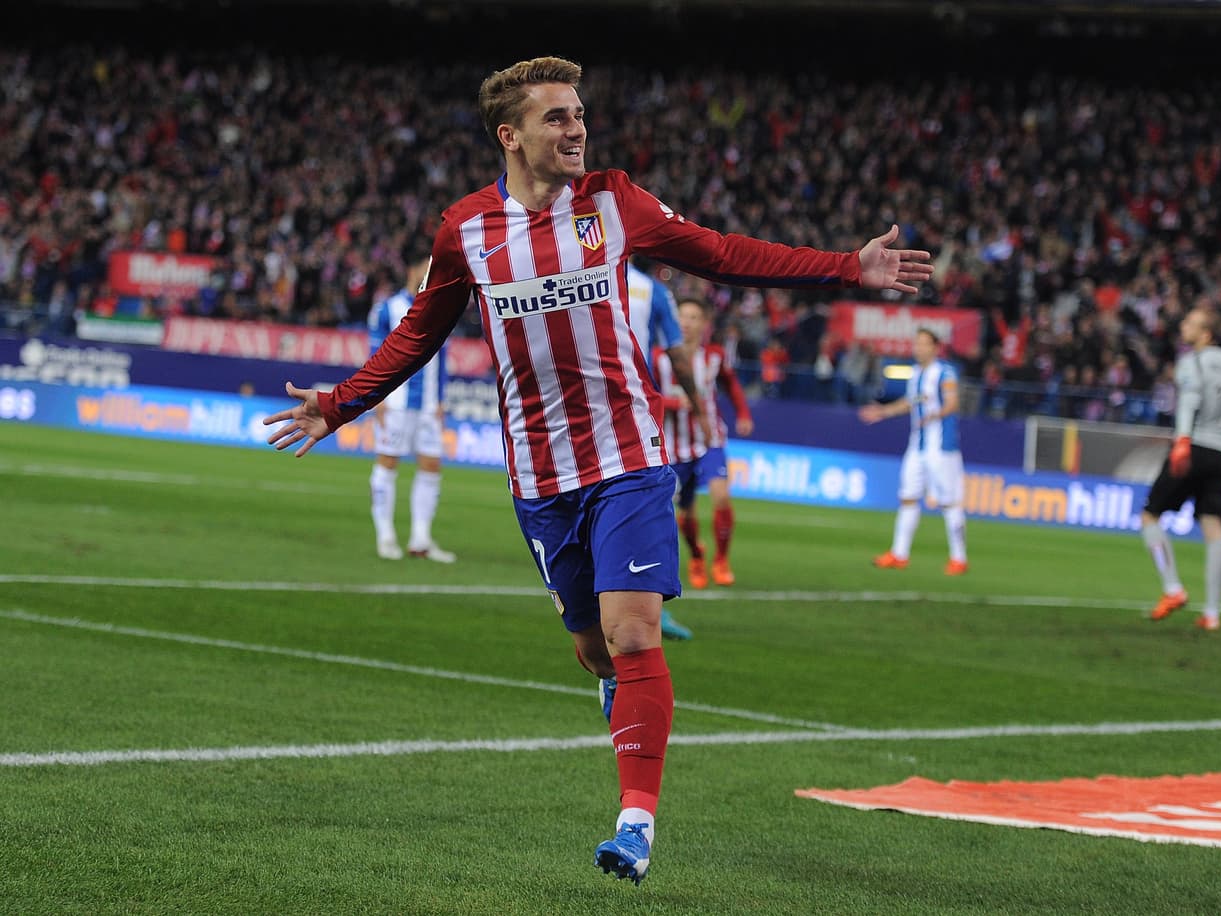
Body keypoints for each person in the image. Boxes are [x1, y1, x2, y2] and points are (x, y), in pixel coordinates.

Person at [263, 55, 932, 886]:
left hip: (629, 457)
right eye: (556, 117)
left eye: (579, 114)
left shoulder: (615, 203)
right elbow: (419, 333)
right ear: (511, 135)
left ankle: (636, 823)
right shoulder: (465, 231)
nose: (576, 128)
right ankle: (624, 706)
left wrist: (844, 266)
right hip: (540, 478)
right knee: (593, 651)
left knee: (633, 632)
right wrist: (341, 404)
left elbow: (720, 253)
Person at [1141, 306, 1221, 631]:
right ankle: (1212, 614)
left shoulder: (1191, 362)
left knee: (1150, 515)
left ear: (1206, 333)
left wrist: (1182, 441)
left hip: (1193, 445)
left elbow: (1189, 400)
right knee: (1214, 528)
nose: (1183, 325)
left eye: (1191, 323)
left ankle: (1173, 588)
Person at [625, 259, 703, 639]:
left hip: (577, 413)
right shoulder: (651, 290)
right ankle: (655, 611)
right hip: (634, 411)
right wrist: (698, 407)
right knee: (651, 511)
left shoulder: (564, 265)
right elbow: (676, 354)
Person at [655, 297, 754, 589]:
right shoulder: (658, 357)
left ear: (704, 324)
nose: (686, 323)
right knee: (684, 515)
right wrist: (675, 402)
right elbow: (643, 393)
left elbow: (731, 383)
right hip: (675, 446)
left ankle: (721, 560)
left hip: (710, 439)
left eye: (693, 317)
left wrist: (744, 414)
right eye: (682, 317)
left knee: (721, 496)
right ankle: (697, 554)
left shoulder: (713, 356)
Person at [367, 255, 456, 563]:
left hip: (429, 404)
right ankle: (386, 535)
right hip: (396, 402)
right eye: (426, 268)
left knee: (431, 465)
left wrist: (442, 398)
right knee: (388, 462)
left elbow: (443, 357)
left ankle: (421, 538)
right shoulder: (388, 308)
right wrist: (375, 396)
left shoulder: (441, 306)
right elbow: (374, 353)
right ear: (413, 270)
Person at [859, 328, 968, 575]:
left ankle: (959, 559)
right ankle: (899, 554)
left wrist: (935, 414)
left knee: (949, 502)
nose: (917, 348)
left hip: (941, 447)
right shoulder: (915, 373)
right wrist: (884, 412)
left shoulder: (945, 372)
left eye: (923, 344)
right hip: (917, 446)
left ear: (935, 347)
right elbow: (911, 402)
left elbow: (953, 402)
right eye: (916, 343)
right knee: (908, 497)